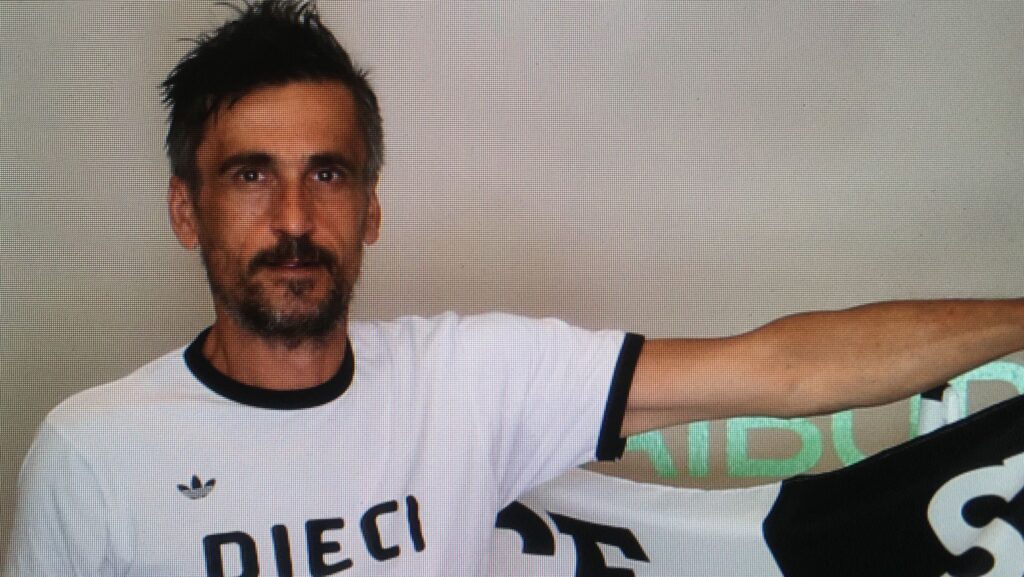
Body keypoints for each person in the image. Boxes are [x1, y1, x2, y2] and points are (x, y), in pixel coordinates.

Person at [5, 1, 1023, 576]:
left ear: (370, 208)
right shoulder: (94, 452)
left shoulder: (468, 378)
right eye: (248, 175)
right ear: (186, 210)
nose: (294, 219)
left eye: (329, 173)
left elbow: (783, 371)